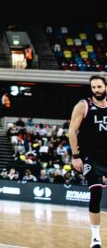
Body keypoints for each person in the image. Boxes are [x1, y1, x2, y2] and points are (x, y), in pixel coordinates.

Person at [69, 74, 107, 248]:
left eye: (99, 87)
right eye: (93, 87)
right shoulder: (83, 105)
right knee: (96, 193)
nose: (96, 90)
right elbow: (71, 131)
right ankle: (95, 237)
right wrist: (76, 157)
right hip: (90, 156)